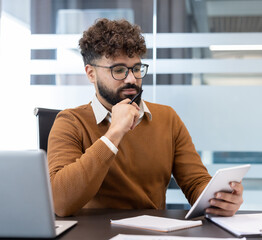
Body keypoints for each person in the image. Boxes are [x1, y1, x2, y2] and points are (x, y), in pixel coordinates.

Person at [47, 18, 244, 217]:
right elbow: (60, 202)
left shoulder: (167, 118)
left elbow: (195, 183)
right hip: (95, 234)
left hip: (153, 233)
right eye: (119, 70)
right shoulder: (70, 122)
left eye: (137, 68)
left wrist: (219, 199)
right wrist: (114, 133)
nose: (132, 79)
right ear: (91, 73)